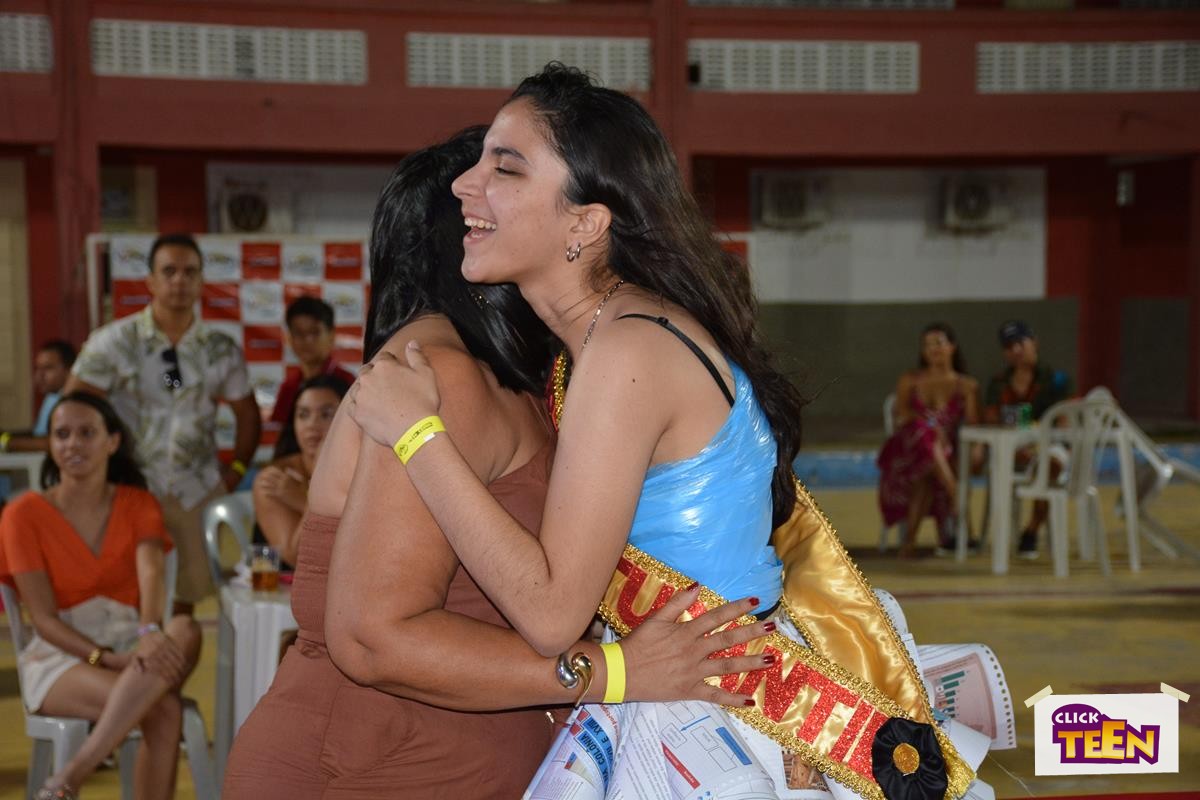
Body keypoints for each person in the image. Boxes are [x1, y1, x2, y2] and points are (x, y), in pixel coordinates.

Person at [349, 65, 981, 799]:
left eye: (505, 167)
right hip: (695, 686)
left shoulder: (626, 350)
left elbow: (550, 614)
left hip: (711, 721)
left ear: (586, 223)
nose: (465, 183)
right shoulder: (604, 341)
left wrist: (416, 436)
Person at [222, 128, 768, 800]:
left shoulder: (542, 375)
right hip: (367, 767)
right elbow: (371, 638)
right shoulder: (437, 373)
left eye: (507, 177)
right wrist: (613, 672)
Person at [0, 392, 202, 800]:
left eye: (86, 433)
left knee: (184, 627)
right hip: (59, 654)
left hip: (134, 640)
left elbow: (152, 573)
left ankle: (70, 776)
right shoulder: (22, 515)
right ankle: (72, 776)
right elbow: (43, 620)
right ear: (50, 445)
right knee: (163, 709)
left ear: (112, 442)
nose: (73, 443)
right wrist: (105, 658)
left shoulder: (138, 503)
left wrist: (148, 631)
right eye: (62, 434)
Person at [65, 233, 261, 612]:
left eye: (190, 272)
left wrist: (236, 470)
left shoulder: (220, 348)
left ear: (201, 281)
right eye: (169, 271)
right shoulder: (114, 341)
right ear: (150, 281)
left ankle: (175, 648)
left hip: (196, 490)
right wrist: (99, 470)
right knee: (130, 595)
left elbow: (247, 413)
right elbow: (74, 407)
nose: (179, 281)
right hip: (131, 487)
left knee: (188, 599)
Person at [877, 323, 979, 557]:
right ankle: (956, 495)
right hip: (907, 451)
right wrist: (933, 427)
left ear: (952, 347)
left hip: (942, 455)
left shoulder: (967, 386)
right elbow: (903, 415)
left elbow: (973, 425)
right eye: (927, 345)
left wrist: (976, 449)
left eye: (939, 343)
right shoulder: (910, 380)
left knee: (927, 476)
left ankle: (909, 543)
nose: (933, 349)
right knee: (927, 437)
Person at [984, 319, 1074, 559]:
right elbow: (991, 419)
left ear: (1034, 343)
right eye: (1008, 346)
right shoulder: (998, 383)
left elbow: (1064, 422)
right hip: (1012, 449)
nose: (1016, 350)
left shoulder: (1057, 380)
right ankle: (1008, 535)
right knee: (1008, 460)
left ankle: (1032, 528)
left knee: (1050, 465)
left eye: (1020, 343)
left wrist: (1037, 437)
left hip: (1050, 448)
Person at [253, 374, 349, 567]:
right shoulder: (274, 478)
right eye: (303, 415)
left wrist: (301, 500)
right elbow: (297, 557)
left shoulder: (362, 471)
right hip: (284, 582)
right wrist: (314, 496)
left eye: (326, 414)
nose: (312, 424)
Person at [270, 296, 357, 425]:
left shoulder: (349, 383)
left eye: (315, 332)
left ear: (331, 335)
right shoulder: (288, 387)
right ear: (289, 338)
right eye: (299, 333)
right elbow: (280, 432)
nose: (307, 340)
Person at [0, 339, 75, 453]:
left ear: (69, 369)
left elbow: (55, 442)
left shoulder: (74, 401)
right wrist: (5, 435)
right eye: (38, 368)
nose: (39, 375)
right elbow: (39, 434)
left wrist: (5, 442)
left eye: (48, 368)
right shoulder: (51, 397)